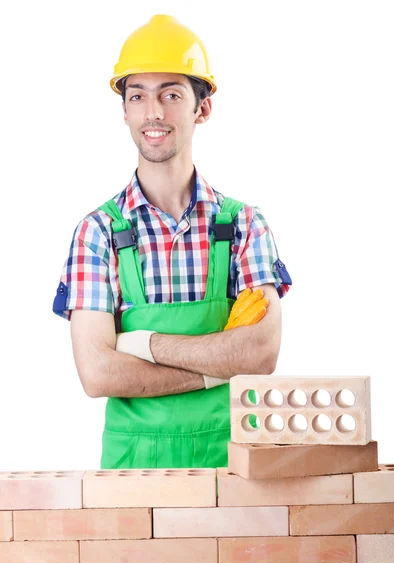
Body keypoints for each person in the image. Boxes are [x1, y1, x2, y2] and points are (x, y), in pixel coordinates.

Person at [52, 14, 292, 470]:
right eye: (137, 95)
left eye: (171, 94)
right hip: (133, 470)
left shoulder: (244, 224)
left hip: (233, 461)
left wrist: (141, 344)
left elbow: (260, 353)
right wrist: (216, 364)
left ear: (202, 108)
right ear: (123, 110)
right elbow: (97, 372)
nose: (153, 112)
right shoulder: (97, 232)